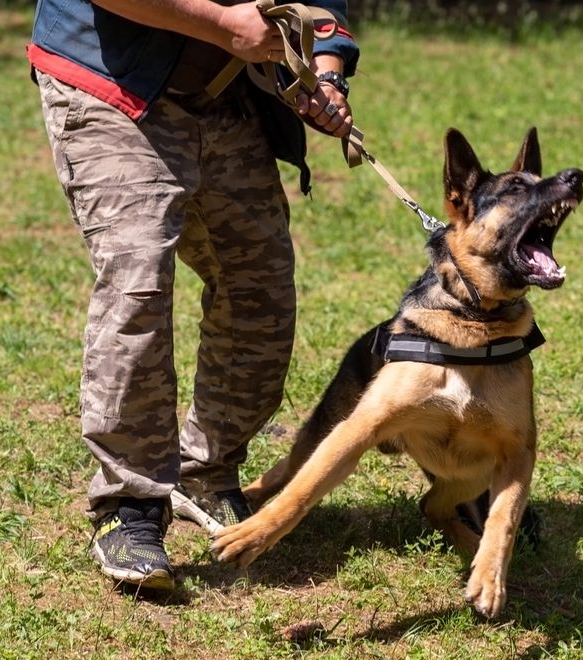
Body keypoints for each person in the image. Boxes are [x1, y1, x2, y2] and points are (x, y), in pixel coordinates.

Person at [28, 0, 358, 590]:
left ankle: (207, 470)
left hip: (224, 91)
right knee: (138, 282)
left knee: (258, 283)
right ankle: (128, 507)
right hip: (113, 89)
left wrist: (324, 72)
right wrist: (225, 26)